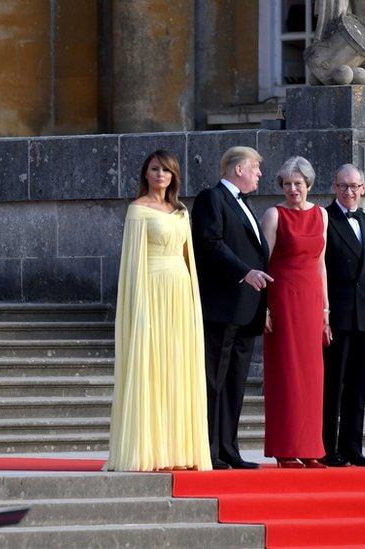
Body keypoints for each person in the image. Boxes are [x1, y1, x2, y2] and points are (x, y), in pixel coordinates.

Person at [106, 150, 211, 472]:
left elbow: (187, 258)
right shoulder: (137, 210)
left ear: (174, 175)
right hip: (151, 291)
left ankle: (178, 450)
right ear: (146, 174)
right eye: (154, 169)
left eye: (166, 170)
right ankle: (147, 450)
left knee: (178, 369)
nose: (160, 174)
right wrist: (138, 310)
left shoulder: (181, 211)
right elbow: (132, 266)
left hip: (179, 293)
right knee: (152, 367)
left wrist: (194, 305)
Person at [191, 146, 271, 470]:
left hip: (247, 310)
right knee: (215, 380)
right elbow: (210, 243)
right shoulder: (212, 198)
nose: (259, 174)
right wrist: (244, 272)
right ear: (238, 169)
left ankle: (229, 449)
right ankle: (209, 451)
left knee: (235, 381)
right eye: (255, 168)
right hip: (222, 307)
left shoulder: (246, 205)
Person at [260, 157, 329, 468]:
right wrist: (264, 307)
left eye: (297, 184)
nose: (292, 189)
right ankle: (285, 449)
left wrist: (326, 309)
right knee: (287, 373)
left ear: (309, 185)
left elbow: (321, 263)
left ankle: (311, 448)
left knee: (313, 377)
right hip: (284, 298)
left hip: (312, 299)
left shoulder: (322, 215)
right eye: (286, 184)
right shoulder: (274, 215)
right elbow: (262, 263)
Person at [322, 164, 365, 467]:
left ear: (364, 188)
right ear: (334, 187)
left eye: (354, 186)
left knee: (358, 384)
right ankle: (327, 448)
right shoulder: (325, 218)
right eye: (343, 186)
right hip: (338, 313)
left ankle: (353, 447)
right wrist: (323, 313)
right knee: (334, 383)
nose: (348, 192)